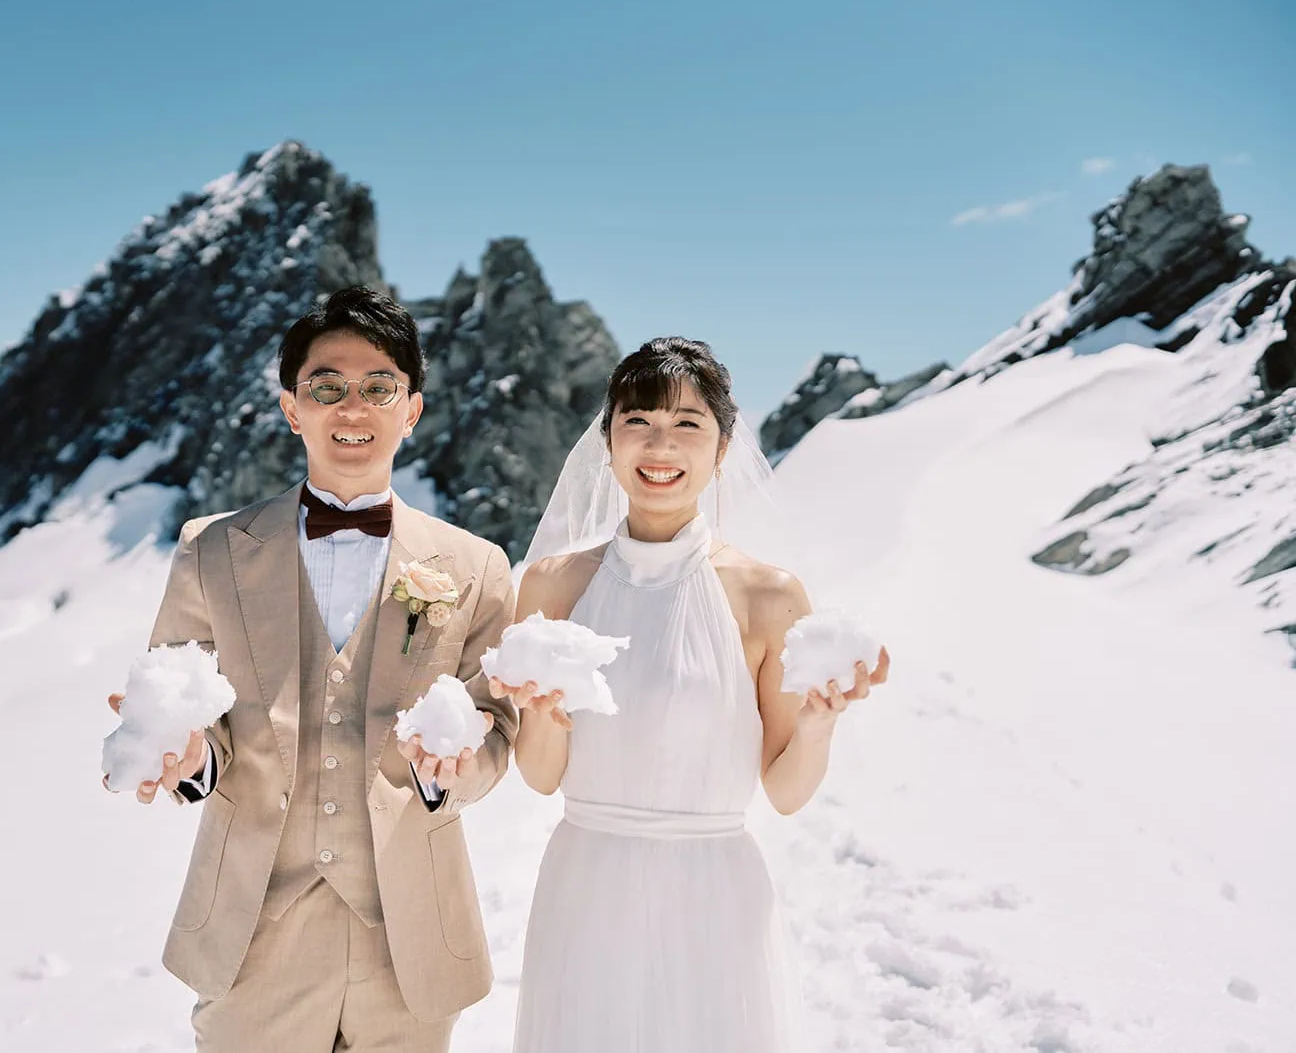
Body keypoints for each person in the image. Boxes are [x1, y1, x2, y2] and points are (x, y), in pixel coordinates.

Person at [105, 285, 519, 1052]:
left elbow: (497, 733)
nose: (352, 408)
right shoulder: (212, 550)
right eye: (326, 387)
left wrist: (449, 766)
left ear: (412, 409)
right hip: (251, 936)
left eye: (378, 388)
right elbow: (191, 713)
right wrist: (191, 753)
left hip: (412, 944)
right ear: (293, 408)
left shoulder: (476, 565)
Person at [500, 336, 890, 1051]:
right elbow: (540, 772)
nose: (660, 445)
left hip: (712, 891)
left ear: (722, 446)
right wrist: (544, 715)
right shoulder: (553, 582)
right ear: (608, 440)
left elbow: (785, 790)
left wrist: (817, 727)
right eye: (638, 421)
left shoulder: (769, 594)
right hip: (585, 881)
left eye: (687, 425)